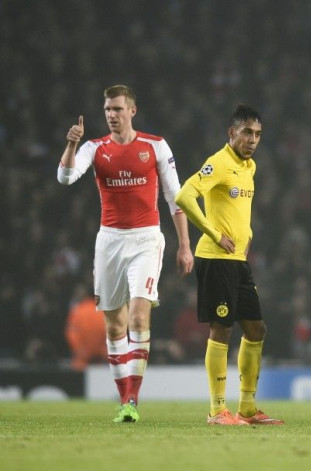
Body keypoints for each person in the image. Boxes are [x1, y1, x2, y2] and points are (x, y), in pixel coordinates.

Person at [58, 85, 194, 423]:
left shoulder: (155, 146)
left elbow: (175, 197)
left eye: (117, 109)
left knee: (137, 316)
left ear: (132, 110)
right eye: (107, 110)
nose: (111, 115)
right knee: (115, 324)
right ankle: (124, 401)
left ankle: (132, 399)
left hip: (147, 239)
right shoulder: (94, 148)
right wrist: (72, 143)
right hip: (109, 242)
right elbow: (65, 177)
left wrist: (185, 245)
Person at [175, 104, 283, 426]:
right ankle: (217, 410)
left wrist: (246, 233)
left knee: (256, 328)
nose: (253, 139)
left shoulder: (250, 167)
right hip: (215, 258)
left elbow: (240, 207)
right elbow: (184, 196)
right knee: (221, 329)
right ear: (232, 132)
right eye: (247, 132)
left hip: (237, 260)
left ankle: (247, 409)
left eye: (258, 134)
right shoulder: (218, 163)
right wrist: (213, 232)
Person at [65, 284, 107, 371]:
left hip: (82, 362)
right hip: (102, 361)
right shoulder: (104, 311)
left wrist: (80, 350)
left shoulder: (77, 310)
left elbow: (72, 334)